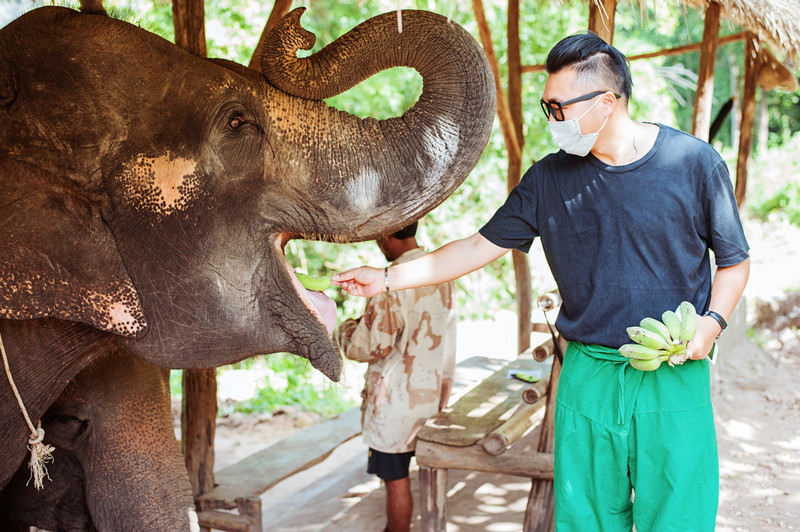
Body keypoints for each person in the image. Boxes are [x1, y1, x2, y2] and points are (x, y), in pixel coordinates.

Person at [334, 32, 750, 532]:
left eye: (558, 107)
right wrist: (384, 278)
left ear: (606, 103)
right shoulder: (548, 179)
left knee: (680, 514)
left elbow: (734, 261)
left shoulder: (693, 164)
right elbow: (473, 248)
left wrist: (711, 325)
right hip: (587, 375)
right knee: (586, 518)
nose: (550, 118)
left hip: (673, 371)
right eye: (545, 105)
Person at [335, 222, 456, 532]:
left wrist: (344, 328)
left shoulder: (388, 283)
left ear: (385, 234)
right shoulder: (440, 271)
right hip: (430, 396)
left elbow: (371, 345)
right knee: (419, 475)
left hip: (395, 405)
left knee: (396, 481)